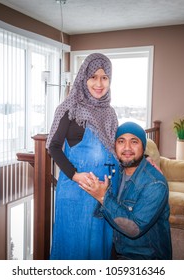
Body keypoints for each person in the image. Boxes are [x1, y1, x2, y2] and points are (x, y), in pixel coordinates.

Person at [46, 53, 120, 260]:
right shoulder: (69, 109)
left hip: (103, 195)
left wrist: (144, 159)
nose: (99, 83)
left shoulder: (110, 113)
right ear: (83, 78)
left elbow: (114, 148)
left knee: (98, 249)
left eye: (104, 77)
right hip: (76, 193)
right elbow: (53, 147)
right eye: (93, 77)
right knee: (73, 250)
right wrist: (76, 175)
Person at [79, 122, 172, 260]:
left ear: (143, 147)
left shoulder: (155, 184)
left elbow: (134, 229)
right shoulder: (117, 173)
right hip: (115, 251)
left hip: (145, 257)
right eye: (121, 141)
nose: (127, 148)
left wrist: (103, 197)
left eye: (134, 142)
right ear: (114, 146)